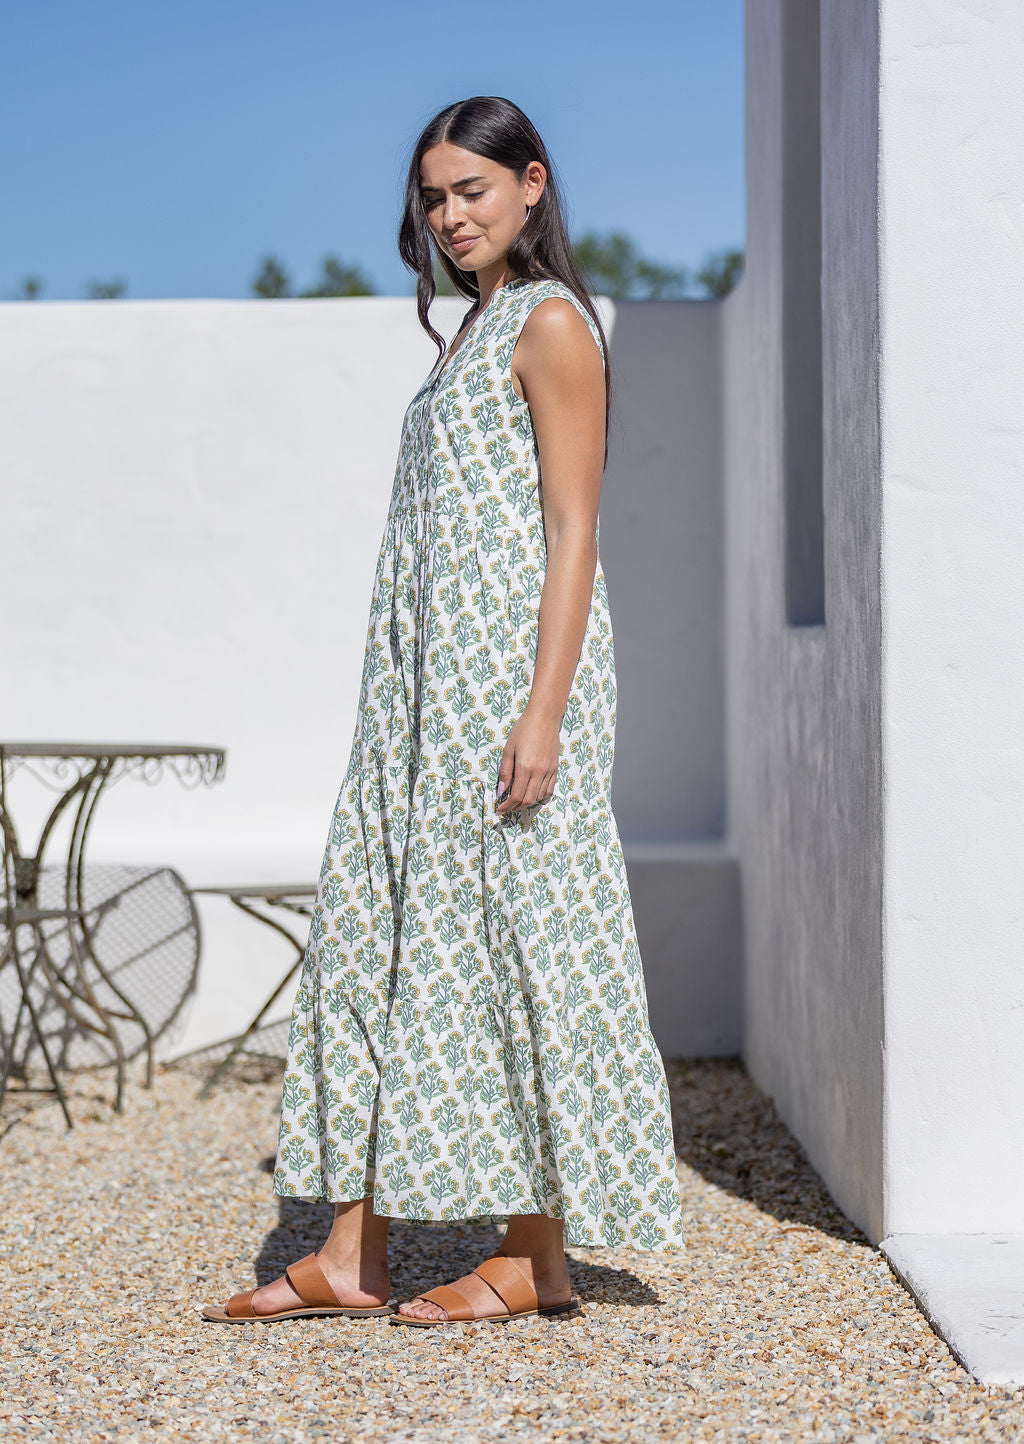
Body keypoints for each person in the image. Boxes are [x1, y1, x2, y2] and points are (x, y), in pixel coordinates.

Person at [204, 94, 684, 1330]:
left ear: (531, 185)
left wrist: (543, 712)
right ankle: (353, 1251)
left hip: (509, 690)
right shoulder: (467, 334)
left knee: (510, 947)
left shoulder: (551, 325)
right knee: (384, 939)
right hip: (421, 693)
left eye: (470, 189)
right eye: (431, 196)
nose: (448, 214)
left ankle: (536, 1254)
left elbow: (575, 530)